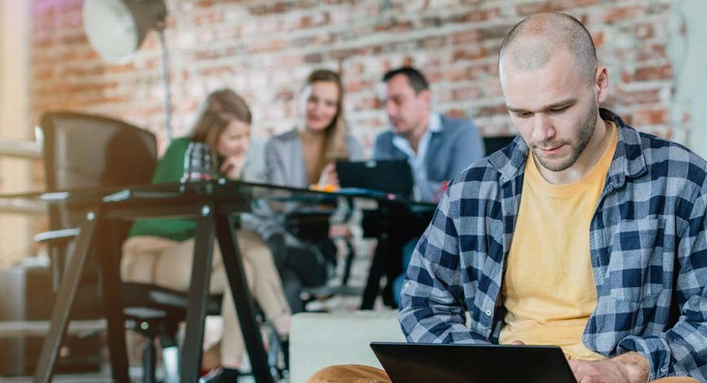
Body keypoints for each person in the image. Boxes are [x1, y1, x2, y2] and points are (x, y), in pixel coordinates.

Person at [310, 13, 706, 383]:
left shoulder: (679, 178)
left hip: (615, 379)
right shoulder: (475, 187)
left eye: (559, 108)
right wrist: (481, 361)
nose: (540, 133)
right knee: (333, 378)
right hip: (497, 376)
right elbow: (423, 299)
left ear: (599, 83)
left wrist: (631, 366)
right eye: (522, 113)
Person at [121, 89, 291, 383]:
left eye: (247, 136)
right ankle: (287, 334)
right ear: (213, 134)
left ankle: (229, 369)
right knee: (246, 243)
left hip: (195, 255)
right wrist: (229, 182)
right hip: (151, 256)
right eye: (235, 138)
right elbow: (197, 217)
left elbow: (227, 226)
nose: (243, 145)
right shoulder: (184, 150)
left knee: (245, 271)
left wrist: (232, 179)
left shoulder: (223, 165)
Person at [374, 66, 485, 306]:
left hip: (450, 236)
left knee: (407, 277)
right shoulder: (384, 142)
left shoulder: (460, 133)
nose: (390, 111)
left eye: (398, 101)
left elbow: (462, 196)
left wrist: (409, 185)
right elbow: (385, 198)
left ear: (424, 98)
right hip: (403, 233)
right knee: (399, 270)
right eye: (385, 103)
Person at [256, 68, 365, 312]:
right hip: (286, 241)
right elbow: (278, 206)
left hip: (321, 251)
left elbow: (354, 209)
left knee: (271, 256)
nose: (319, 109)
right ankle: (288, 349)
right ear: (301, 100)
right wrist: (320, 191)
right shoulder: (278, 146)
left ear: (338, 109)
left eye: (329, 103)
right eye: (313, 100)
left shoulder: (349, 149)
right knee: (289, 285)